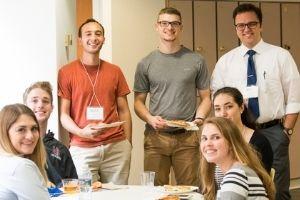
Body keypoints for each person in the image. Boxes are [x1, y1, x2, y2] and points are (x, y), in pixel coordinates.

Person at [211, 3, 300, 199]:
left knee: (278, 189)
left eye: (251, 24)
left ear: (261, 25)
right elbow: (217, 99)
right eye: (240, 25)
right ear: (235, 28)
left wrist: (287, 131)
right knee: (241, 184)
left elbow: (294, 97)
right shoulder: (226, 62)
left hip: (274, 132)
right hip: (238, 133)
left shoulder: (281, 56)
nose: (246, 29)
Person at [134, 7, 211, 186]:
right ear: (157, 26)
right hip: (156, 137)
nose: (170, 27)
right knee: (154, 190)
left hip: (187, 137)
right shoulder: (145, 63)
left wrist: (199, 118)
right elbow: (138, 102)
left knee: (191, 189)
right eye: (164, 23)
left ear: (181, 27)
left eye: (175, 23)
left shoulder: (196, 60)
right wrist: (150, 119)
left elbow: (206, 97)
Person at [58, 18, 132, 184]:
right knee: (87, 195)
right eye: (88, 34)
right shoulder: (66, 72)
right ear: (80, 40)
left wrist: (128, 143)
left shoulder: (115, 71)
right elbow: (63, 114)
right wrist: (81, 132)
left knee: (117, 197)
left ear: (104, 39)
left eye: (98, 34)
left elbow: (124, 110)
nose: (94, 38)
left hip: (116, 147)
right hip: (82, 148)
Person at [200, 117, 275, 200]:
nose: (207, 143)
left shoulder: (236, 176)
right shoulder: (235, 170)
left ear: (231, 143)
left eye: (216, 137)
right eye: (204, 138)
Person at [213, 87, 273, 183]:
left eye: (229, 107)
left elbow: (262, 183)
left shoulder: (259, 142)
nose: (222, 114)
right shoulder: (212, 141)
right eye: (217, 109)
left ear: (241, 107)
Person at [23, 81, 78, 186]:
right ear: (25, 106)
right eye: (34, 101)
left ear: (52, 108)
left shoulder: (60, 149)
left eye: (45, 101)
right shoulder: (19, 145)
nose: (40, 105)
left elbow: (73, 186)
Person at [0, 104, 50, 199]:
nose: (30, 136)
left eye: (34, 128)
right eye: (21, 130)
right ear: (4, 133)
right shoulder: (20, 166)